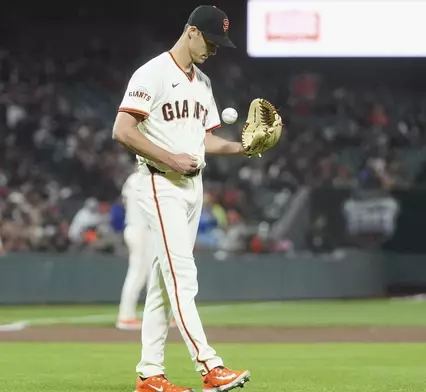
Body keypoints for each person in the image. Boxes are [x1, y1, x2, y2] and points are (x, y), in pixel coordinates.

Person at [112, 5, 251, 392]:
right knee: (181, 276)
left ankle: (150, 375)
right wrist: (169, 156)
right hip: (160, 183)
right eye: (210, 39)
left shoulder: (203, 82)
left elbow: (204, 140)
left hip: (193, 188)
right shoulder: (152, 73)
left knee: (161, 283)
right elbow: (122, 129)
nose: (214, 48)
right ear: (190, 31)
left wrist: (243, 147)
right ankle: (210, 366)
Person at [115, 170, 151, 330]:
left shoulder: (132, 179)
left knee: (151, 272)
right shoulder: (144, 179)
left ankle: (158, 316)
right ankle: (126, 316)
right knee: (138, 273)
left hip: (135, 227)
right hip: (140, 229)